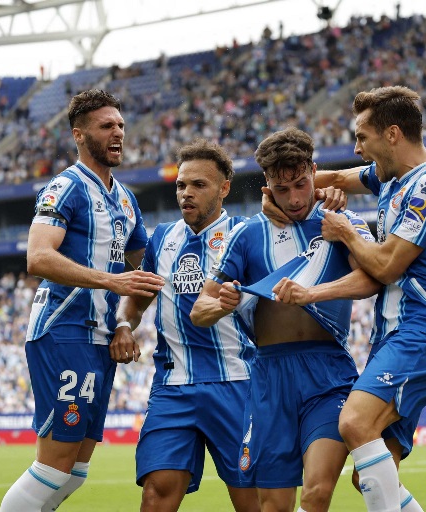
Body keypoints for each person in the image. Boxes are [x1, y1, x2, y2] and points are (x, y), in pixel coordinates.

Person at [271, 86, 426, 512]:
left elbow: (387, 266)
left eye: (362, 137)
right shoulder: (390, 177)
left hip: (421, 331)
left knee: (355, 422)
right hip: (394, 334)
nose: (357, 148)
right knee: (370, 475)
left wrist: (345, 230)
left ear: (392, 134)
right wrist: (283, 192)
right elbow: (335, 179)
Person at [191, 127, 376, 512]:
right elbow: (200, 310)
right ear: (267, 186)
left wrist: (312, 294)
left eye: (301, 184)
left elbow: (372, 279)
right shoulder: (246, 234)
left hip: (327, 374)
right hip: (269, 377)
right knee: (274, 505)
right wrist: (224, 303)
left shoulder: (340, 221)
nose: (294, 198)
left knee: (317, 492)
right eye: (281, 188)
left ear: (314, 172)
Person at [0, 89, 164, 512]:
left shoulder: (126, 199)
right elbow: (38, 257)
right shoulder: (65, 187)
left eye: (121, 125)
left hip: (101, 340)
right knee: (54, 467)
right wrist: (110, 281)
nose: (118, 133)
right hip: (64, 330)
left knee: (75, 470)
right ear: (79, 134)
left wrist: (125, 324)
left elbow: (142, 275)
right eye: (106, 126)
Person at [111, 139, 260, 512]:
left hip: (237, 384)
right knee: (156, 493)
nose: (186, 193)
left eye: (198, 185)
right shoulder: (162, 237)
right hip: (173, 387)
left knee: (253, 502)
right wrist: (124, 325)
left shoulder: (247, 235)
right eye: (181, 185)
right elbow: (137, 299)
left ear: (224, 188)